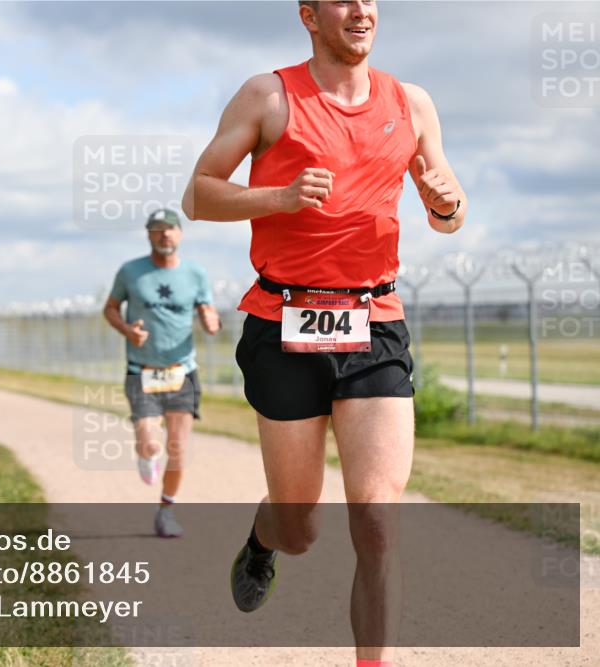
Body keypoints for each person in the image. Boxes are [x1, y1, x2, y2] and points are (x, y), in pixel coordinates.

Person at [182, 2, 466, 664]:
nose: (362, 9)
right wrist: (276, 197)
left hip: (374, 324)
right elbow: (198, 193)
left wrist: (446, 201)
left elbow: (447, 213)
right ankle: (263, 538)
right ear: (309, 15)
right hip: (283, 323)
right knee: (301, 524)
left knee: (376, 516)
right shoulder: (268, 94)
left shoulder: (412, 102)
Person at [103, 208, 221, 538]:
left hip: (182, 371)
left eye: (170, 229)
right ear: (148, 235)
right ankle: (145, 454)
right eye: (157, 230)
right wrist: (128, 330)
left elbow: (206, 307)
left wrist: (211, 320)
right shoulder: (131, 272)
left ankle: (166, 510)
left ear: (180, 234)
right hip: (141, 371)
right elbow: (110, 309)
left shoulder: (196, 273)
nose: (164, 235)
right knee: (150, 443)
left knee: (178, 448)